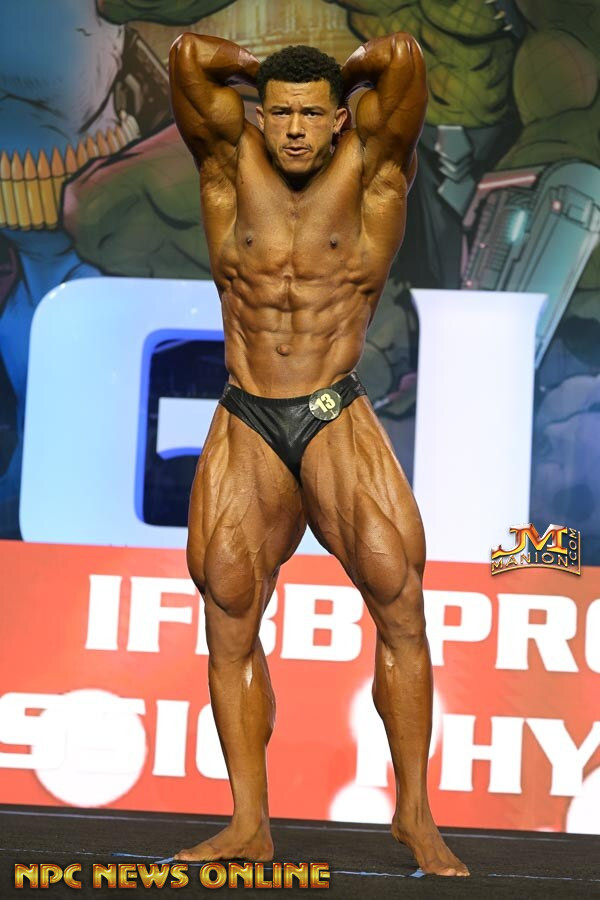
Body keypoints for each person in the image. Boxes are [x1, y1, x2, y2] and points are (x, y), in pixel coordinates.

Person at [168, 30, 469, 877]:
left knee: (399, 599)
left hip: (333, 411)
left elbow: (403, 59)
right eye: (279, 113)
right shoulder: (227, 167)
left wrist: (339, 72)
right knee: (228, 608)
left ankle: (415, 816)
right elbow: (188, 55)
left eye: (311, 113)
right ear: (259, 116)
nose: (294, 129)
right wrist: (260, 70)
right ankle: (248, 824)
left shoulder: (372, 171)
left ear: (340, 119)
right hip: (247, 413)